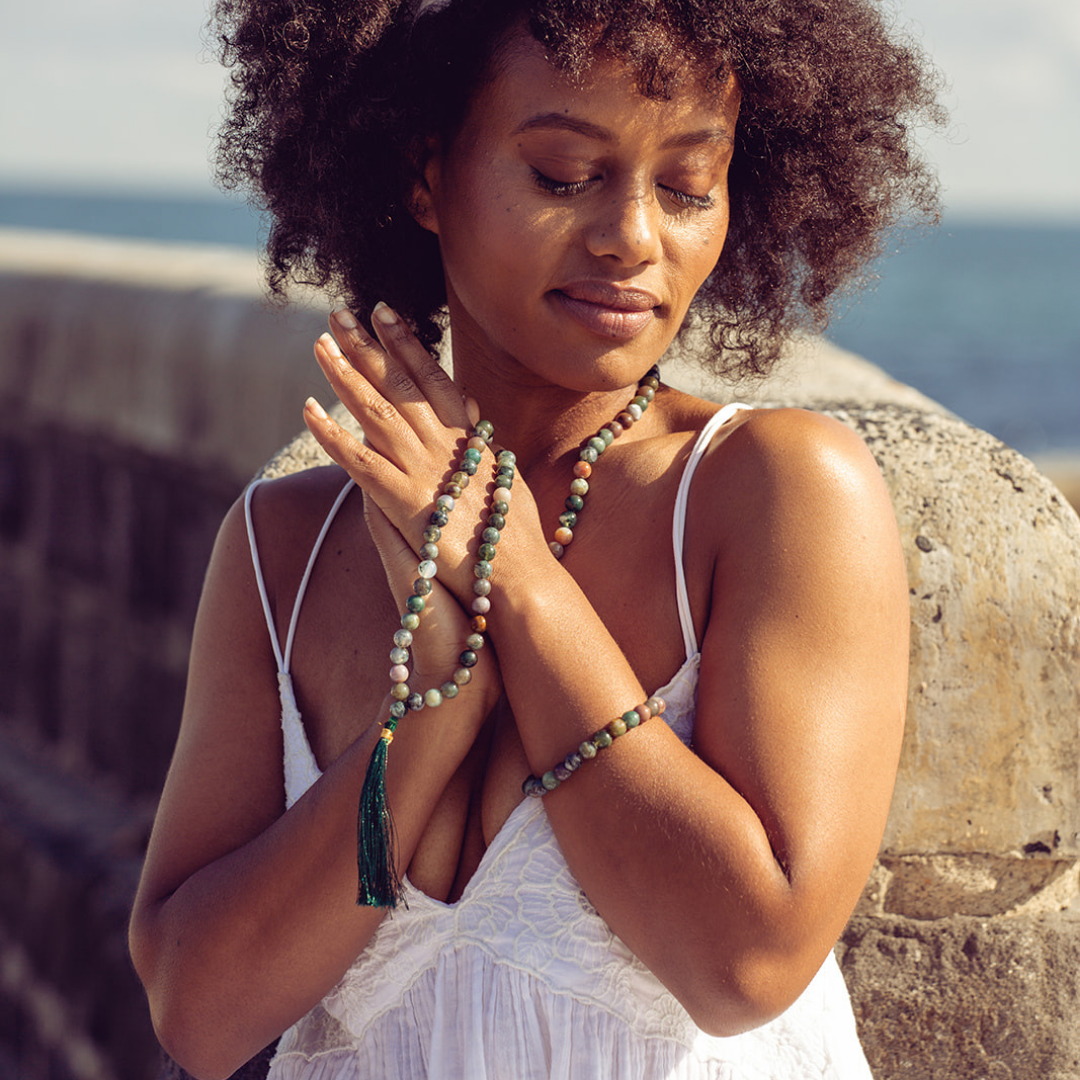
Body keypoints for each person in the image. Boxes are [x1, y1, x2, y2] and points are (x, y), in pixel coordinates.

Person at [129, 0, 942, 1077]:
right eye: (565, 175)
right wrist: (434, 714)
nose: (635, 237)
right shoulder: (283, 548)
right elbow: (202, 1011)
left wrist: (511, 572)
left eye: (690, 185)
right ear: (425, 176)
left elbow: (743, 964)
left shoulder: (774, 492)